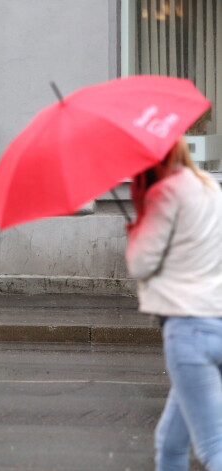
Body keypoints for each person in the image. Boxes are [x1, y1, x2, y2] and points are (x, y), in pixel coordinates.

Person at [125, 137, 222, 470]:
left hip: (188, 329)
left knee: (213, 447)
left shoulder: (164, 193)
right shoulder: (210, 187)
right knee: (170, 442)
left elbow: (140, 264)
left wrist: (138, 219)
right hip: (218, 320)